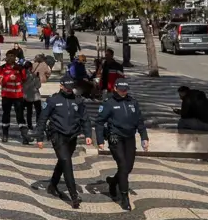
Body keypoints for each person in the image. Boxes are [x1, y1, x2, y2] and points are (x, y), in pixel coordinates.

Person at [36, 75, 91, 209]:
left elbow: (85, 118)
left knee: (63, 161)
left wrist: (88, 134)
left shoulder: (78, 101)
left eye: (71, 88)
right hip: (57, 135)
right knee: (66, 161)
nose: (69, 90)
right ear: (61, 86)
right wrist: (39, 137)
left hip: (72, 136)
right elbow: (43, 118)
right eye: (67, 88)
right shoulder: (53, 100)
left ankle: (52, 185)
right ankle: (74, 195)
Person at [94, 79, 149, 210]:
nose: (123, 92)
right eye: (121, 90)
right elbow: (99, 122)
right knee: (123, 166)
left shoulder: (133, 102)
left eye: (125, 90)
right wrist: (100, 140)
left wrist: (144, 137)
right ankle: (124, 198)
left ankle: (113, 182)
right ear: (115, 89)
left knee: (128, 168)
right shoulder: (109, 103)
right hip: (115, 138)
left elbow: (140, 121)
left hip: (130, 138)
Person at [0, 51, 29, 143]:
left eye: (12, 56)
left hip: (18, 96)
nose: (10, 58)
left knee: (20, 116)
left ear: (15, 57)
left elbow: (24, 79)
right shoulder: (2, 68)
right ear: (6, 57)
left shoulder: (20, 68)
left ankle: (24, 135)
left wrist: (22, 71)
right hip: (6, 96)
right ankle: (5, 134)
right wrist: (9, 77)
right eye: (8, 56)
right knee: (6, 115)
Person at [23, 54, 50, 132]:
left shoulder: (23, 76)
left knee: (29, 111)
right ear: (30, 67)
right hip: (35, 96)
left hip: (27, 96)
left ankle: (29, 125)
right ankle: (38, 123)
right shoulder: (34, 76)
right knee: (38, 110)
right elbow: (38, 85)